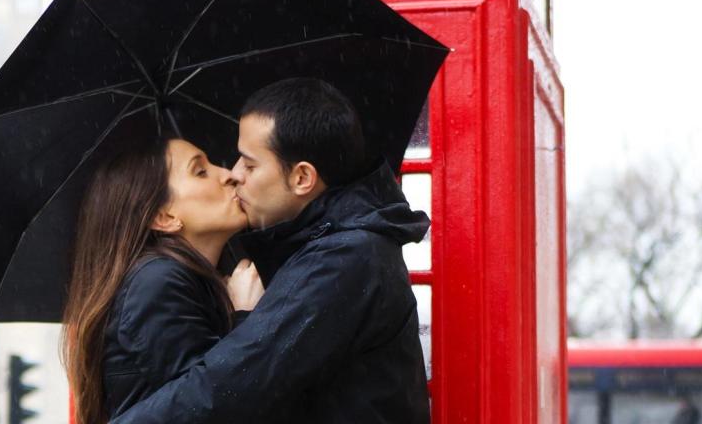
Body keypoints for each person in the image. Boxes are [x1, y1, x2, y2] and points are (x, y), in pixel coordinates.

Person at [110, 78, 431, 424]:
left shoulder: (344, 258)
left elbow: (225, 390)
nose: (233, 174)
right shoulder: (325, 244)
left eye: (249, 165)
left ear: (302, 178)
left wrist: (245, 319)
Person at [60, 133, 265, 423]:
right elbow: (213, 407)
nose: (229, 174)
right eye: (201, 171)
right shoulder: (157, 282)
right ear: (164, 217)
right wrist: (245, 318)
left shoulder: (186, 281)